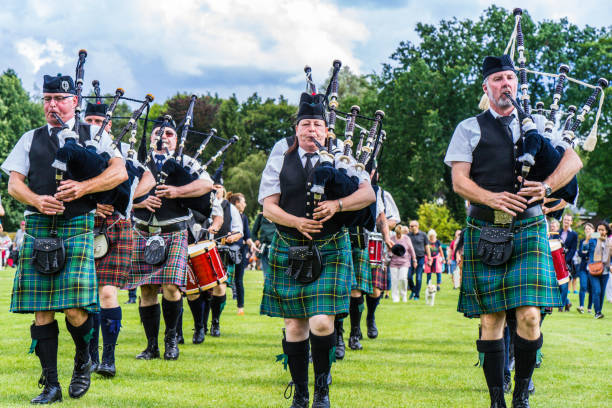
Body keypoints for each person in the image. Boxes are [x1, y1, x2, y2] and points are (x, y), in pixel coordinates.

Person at [444, 54, 582, 407]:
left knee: (531, 315)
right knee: (491, 317)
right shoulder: (469, 127)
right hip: (485, 226)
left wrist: (547, 187)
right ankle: (496, 399)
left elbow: (573, 161)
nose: (506, 84)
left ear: (516, 84)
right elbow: (459, 181)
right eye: (498, 79)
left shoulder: (534, 124)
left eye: (510, 78)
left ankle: (520, 394)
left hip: (529, 225)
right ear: (486, 87)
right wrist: (492, 198)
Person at [1, 73, 127, 403]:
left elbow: (119, 172)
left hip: (77, 226)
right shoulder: (31, 138)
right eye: (47, 99)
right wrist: (35, 200)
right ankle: (51, 385)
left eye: (58, 98)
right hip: (40, 227)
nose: (52, 104)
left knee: (73, 309)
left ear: (74, 102)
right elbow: (14, 184)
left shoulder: (94, 134)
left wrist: (84, 187)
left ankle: (83, 358)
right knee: (42, 311)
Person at [259, 91, 375, 408]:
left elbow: (367, 195)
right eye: (306, 124)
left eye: (318, 125)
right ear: (297, 128)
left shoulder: (341, 155)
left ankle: (322, 388)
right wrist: (296, 221)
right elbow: (268, 207)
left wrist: (338, 205)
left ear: (326, 130)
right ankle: (300, 391)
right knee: (294, 324)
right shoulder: (280, 153)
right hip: (290, 244)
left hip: (331, 246)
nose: (312, 130)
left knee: (322, 322)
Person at [127, 116, 213, 361]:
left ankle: (171, 340)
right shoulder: (139, 162)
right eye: (157, 133)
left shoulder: (186, 161)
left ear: (175, 140)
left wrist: (177, 191)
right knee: (147, 289)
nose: (162, 137)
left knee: (172, 288)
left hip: (174, 230)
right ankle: (151, 346)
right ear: (151, 137)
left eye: (168, 134)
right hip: (143, 229)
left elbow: (207, 184)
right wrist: (140, 202)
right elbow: (120, 192)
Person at [83, 100, 155, 377]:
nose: (94, 125)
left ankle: (108, 358)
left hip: (116, 225)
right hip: (85, 223)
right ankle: (88, 356)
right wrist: (91, 203)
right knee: (86, 297)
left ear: (109, 124)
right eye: (89, 119)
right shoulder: (78, 146)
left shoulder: (123, 150)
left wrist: (126, 198)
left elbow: (148, 179)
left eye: (99, 121)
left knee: (108, 292)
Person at [207, 180, 243, 336]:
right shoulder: (201, 203)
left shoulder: (231, 208)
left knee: (220, 287)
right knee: (202, 291)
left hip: (222, 251)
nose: (216, 190)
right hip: (201, 250)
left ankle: (215, 322)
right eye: (214, 187)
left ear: (223, 189)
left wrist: (232, 238)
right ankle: (200, 325)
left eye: (219, 187)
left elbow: (239, 231)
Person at [228, 192, 254, 315]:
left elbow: (247, 236)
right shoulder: (227, 214)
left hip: (241, 251)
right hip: (227, 249)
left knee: (239, 279)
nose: (245, 204)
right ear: (237, 203)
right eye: (243, 201)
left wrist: (252, 244)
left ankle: (240, 308)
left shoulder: (244, 217)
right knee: (222, 279)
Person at [588, 222, 610, 319]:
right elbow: (589, 236)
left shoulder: (609, 241)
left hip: (605, 270)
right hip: (594, 269)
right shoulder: (593, 239)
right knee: (597, 291)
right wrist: (597, 236)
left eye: (603, 230)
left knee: (601, 292)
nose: (600, 231)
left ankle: (599, 311)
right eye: (599, 229)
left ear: (607, 231)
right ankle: (597, 312)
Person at [389, 225, 416, 302]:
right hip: (393, 262)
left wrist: (414, 260)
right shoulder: (392, 238)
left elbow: (411, 250)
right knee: (394, 280)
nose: (398, 235)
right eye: (397, 234)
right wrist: (389, 254)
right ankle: (395, 297)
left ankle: (404, 295)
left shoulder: (406, 238)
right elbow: (387, 249)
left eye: (400, 234)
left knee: (403, 278)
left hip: (404, 262)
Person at [407, 220, 430, 300]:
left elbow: (427, 247)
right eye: (410, 226)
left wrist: (429, 258)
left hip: (420, 258)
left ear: (417, 226)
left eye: (413, 226)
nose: (411, 227)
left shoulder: (423, 235)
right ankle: (413, 290)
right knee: (409, 276)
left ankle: (417, 295)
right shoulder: (408, 236)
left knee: (418, 277)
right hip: (410, 259)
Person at [577, 223, 596, 314]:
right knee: (583, 286)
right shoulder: (582, 241)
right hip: (583, 267)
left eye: (589, 229)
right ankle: (581, 306)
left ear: (593, 230)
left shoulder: (597, 239)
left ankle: (589, 308)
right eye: (586, 229)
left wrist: (594, 235)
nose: (588, 231)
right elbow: (581, 253)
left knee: (591, 288)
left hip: (593, 267)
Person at [252, 211, 276, 276]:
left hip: (276, 248)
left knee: (277, 275)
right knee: (266, 274)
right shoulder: (261, 216)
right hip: (264, 247)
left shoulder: (278, 215)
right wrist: (256, 240)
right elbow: (253, 232)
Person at [560, 214, 578, 296]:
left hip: (568, 261)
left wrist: (565, 260)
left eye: (568, 220)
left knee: (565, 283)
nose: (566, 221)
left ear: (571, 222)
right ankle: (566, 303)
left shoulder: (574, 234)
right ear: (562, 220)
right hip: (557, 260)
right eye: (565, 219)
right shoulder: (558, 232)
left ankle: (564, 303)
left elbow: (573, 249)